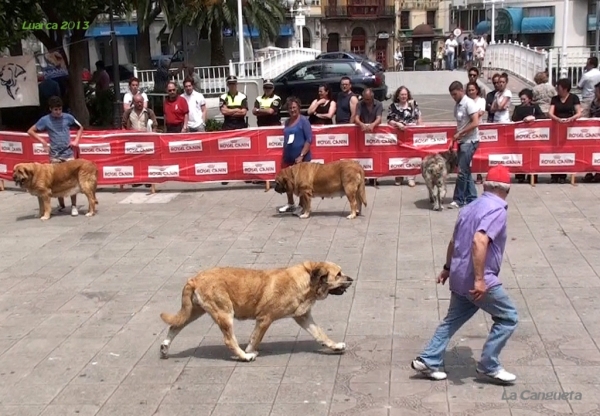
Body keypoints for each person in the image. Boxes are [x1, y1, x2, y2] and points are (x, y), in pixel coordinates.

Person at [411, 165, 518, 384]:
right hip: (478, 279)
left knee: (452, 320)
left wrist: (447, 268)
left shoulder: (470, 206)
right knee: (508, 317)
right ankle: (489, 364)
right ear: (506, 189)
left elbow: (454, 241)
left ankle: (428, 359)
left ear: (485, 185)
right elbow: (479, 240)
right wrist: (479, 280)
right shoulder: (497, 209)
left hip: (459, 275)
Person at [27, 96, 83, 216]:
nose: (58, 112)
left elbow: (80, 127)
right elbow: (30, 131)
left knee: (72, 180)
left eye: (60, 109)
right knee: (55, 180)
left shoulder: (68, 117)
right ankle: (62, 205)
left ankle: (74, 205)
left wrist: (76, 141)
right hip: (55, 155)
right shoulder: (45, 120)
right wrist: (42, 141)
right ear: (50, 109)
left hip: (68, 153)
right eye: (55, 110)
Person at [277, 96, 313, 214]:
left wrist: (302, 155)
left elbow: (309, 140)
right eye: (290, 108)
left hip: (301, 159)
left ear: (298, 108)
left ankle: (302, 205)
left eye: (294, 107)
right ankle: (290, 203)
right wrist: (283, 156)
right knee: (288, 183)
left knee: (302, 183)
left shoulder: (304, 121)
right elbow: (286, 140)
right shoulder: (287, 122)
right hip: (288, 157)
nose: (292, 110)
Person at [449, 81, 480, 209]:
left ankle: (459, 199)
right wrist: (454, 139)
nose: (453, 97)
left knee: (462, 171)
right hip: (462, 141)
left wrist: (460, 133)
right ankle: (472, 198)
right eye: (452, 95)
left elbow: (475, 123)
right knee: (465, 170)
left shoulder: (469, 103)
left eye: (455, 94)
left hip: (470, 141)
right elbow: (460, 124)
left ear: (461, 90)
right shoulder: (458, 105)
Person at [387, 86, 422, 187]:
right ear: (398, 95)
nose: (403, 96)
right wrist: (397, 124)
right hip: (398, 135)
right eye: (402, 94)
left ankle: (411, 177)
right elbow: (389, 120)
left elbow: (419, 117)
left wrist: (420, 129)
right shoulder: (393, 106)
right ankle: (399, 176)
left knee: (412, 156)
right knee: (398, 156)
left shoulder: (413, 104)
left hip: (411, 135)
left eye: (405, 94)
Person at [548, 78, 582, 184]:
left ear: (565, 88)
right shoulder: (555, 99)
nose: (557, 89)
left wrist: (572, 118)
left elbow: (579, 112)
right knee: (555, 150)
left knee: (566, 150)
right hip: (557, 126)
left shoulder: (574, 98)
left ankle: (563, 174)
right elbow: (550, 112)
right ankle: (554, 174)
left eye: (559, 87)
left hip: (569, 127)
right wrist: (557, 119)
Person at [122, 94, 158, 188]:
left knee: (147, 161)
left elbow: (155, 125)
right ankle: (137, 180)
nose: (139, 104)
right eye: (137, 102)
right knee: (135, 161)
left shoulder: (149, 112)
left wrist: (152, 135)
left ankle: (148, 180)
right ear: (133, 103)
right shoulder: (128, 113)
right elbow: (123, 125)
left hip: (147, 140)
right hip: (133, 140)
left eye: (141, 102)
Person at [511, 89, 545, 184]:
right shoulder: (518, 108)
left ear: (529, 99)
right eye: (521, 99)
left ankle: (532, 176)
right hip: (521, 137)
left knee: (533, 156)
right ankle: (520, 176)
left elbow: (543, 117)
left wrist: (534, 118)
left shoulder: (535, 107)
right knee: (521, 156)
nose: (522, 101)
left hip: (533, 136)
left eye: (524, 99)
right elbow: (513, 119)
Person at [355, 88, 384, 186]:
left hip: (375, 132)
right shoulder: (359, 104)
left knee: (375, 154)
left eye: (368, 99)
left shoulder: (379, 104)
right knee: (363, 155)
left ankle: (374, 177)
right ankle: (365, 176)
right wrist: (361, 124)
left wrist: (373, 125)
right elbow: (356, 117)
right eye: (364, 99)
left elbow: (379, 118)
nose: (366, 101)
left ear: (372, 97)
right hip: (362, 133)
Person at [584, 82, 600, 183]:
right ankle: (589, 171)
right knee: (590, 151)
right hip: (593, 132)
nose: (595, 92)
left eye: (597, 91)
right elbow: (588, 113)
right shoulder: (593, 102)